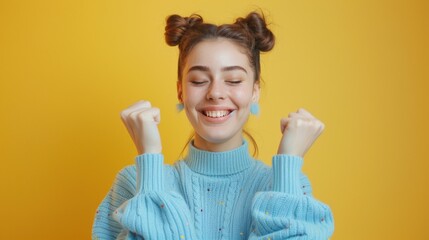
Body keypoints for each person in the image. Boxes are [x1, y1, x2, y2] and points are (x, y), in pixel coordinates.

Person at [92, 11, 334, 240]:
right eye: (199, 80)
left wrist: (288, 162)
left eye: (233, 80)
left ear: (255, 91)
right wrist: (150, 160)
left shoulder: (287, 185)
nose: (215, 93)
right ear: (180, 91)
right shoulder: (136, 181)